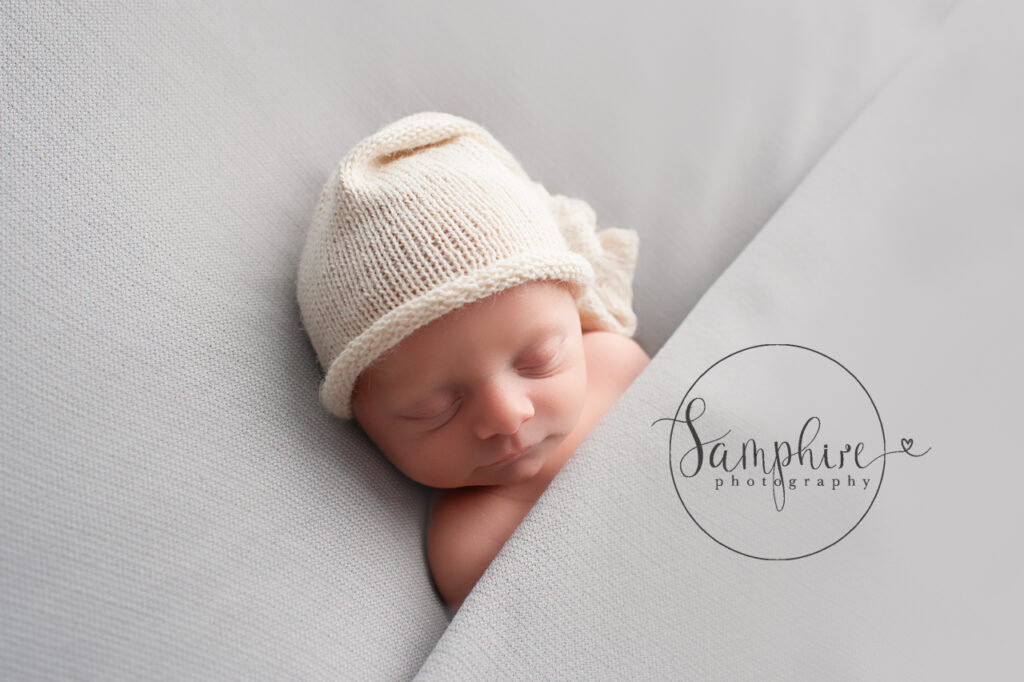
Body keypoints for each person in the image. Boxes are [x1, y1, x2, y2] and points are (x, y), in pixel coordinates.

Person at [296, 112, 649, 611]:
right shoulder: (469, 547)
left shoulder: (618, 367)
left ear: (574, 311)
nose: (506, 415)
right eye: (434, 408)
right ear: (367, 425)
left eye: (539, 359)